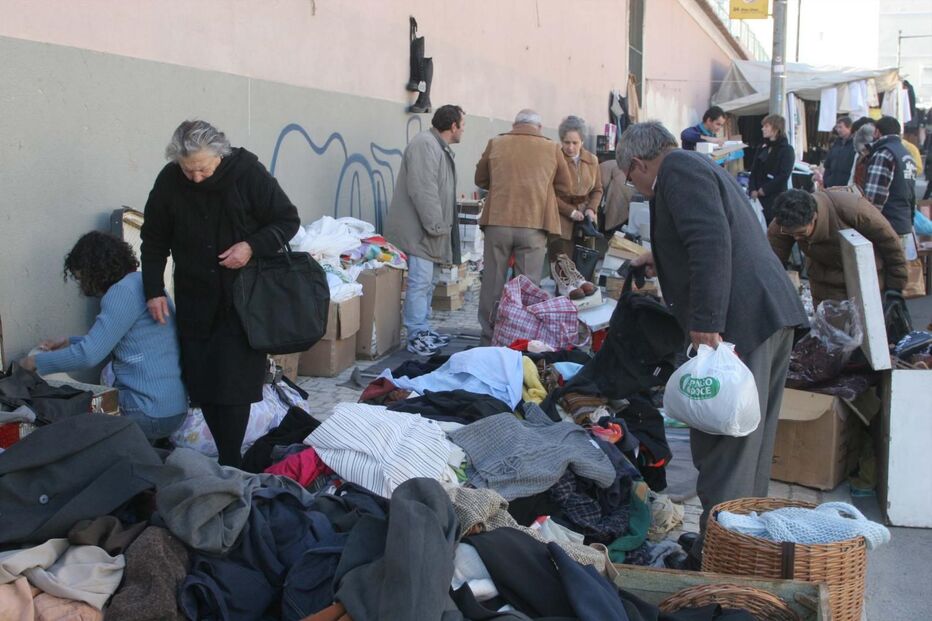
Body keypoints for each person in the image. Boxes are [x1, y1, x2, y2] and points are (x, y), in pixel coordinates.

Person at [618, 121, 807, 565]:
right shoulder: (696, 166)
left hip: (739, 323)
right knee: (748, 445)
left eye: (631, 178)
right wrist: (656, 257)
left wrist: (705, 322)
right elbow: (712, 233)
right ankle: (739, 548)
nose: (636, 187)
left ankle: (718, 560)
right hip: (765, 315)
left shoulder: (679, 171)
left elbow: (709, 241)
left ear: (640, 164)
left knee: (725, 447)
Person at [141, 120, 300, 467]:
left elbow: (287, 220)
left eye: (202, 168)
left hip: (243, 301)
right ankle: (229, 460)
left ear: (219, 155)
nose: (196, 177)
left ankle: (230, 460)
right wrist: (153, 290)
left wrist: (251, 247)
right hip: (196, 299)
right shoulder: (169, 182)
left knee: (234, 385)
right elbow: (153, 240)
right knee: (203, 384)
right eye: (188, 169)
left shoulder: (248, 174)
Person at [19, 232, 188, 441]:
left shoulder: (122, 292)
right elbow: (123, 341)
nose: (83, 288)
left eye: (81, 279)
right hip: (173, 410)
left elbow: (88, 355)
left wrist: (35, 362)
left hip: (145, 409)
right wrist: (69, 341)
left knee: (67, 417)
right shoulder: (142, 283)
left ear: (94, 270)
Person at [475, 109, 573, 343]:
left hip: (498, 221)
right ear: (538, 128)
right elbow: (565, 186)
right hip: (534, 224)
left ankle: (489, 334)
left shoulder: (496, 143)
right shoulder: (551, 148)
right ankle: (520, 335)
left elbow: (480, 180)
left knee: (493, 281)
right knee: (527, 285)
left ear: (514, 124)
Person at [384, 104, 465, 356]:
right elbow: (424, 190)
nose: (463, 130)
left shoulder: (436, 147)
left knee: (428, 282)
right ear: (453, 126)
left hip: (429, 232)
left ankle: (423, 329)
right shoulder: (425, 145)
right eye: (462, 125)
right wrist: (436, 226)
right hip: (421, 232)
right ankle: (416, 334)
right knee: (419, 283)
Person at [769, 189, 907, 308]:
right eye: (791, 234)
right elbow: (772, 258)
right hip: (822, 285)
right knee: (830, 332)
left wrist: (895, 287)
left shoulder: (853, 209)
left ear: (814, 218)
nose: (796, 238)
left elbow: (890, 244)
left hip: (864, 282)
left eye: (801, 233)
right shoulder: (782, 222)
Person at [551, 115, 602, 298]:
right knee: (562, 262)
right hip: (561, 215)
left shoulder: (592, 160)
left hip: (585, 219)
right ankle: (564, 300)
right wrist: (570, 211)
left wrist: (591, 209)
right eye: (566, 142)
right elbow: (549, 193)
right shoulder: (555, 159)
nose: (570, 147)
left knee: (583, 263)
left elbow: (597, 189)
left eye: (574, 142)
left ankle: (583, 304)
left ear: (582, 141)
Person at [863, 116, 918, 237]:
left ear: (877, 131)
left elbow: (874, 196)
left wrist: (868, 224)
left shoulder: (884, 153)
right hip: (904, 222)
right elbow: (911, 193)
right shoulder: (906, 154)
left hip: (886, 224)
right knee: (899, 256)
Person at [748, 114, 796, 224]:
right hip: (757, 198)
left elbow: (784, 175)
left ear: (776, 128)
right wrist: (752, 189)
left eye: (766, 126)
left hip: (775, 199)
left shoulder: (787, 150)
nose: (762, 129)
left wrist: (764, 190)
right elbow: (754, 171)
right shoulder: (762, 147)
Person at [599, 153, 635, 235]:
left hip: (620, 186)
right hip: (625, 186)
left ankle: (609, 232)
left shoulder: (604, 167)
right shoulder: (618, 167)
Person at [820, 116, 855, 188]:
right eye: (837, 127)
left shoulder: (854, 145)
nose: (838, 130)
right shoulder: (837, 143)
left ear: (849, 127)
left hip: (845, 185)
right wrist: (826, 180)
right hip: (831, 184)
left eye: (841, 127)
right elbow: (828, 163)